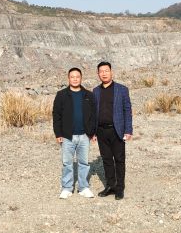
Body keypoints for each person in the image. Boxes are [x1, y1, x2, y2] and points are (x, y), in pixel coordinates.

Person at [52, 67, 97, 199]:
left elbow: (94, 115)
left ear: (81, 78)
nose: (75, 79)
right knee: (67, 163)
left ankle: (83, 188)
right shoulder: (61, 95)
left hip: (84, 135)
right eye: (72, 77)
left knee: (84, 163)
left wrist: (93, 133)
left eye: (77, 77)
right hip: (67, 136)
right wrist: (58, 134)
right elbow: (56, 115)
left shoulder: (88, 95)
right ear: (68, 78)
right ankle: (67, 188)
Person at [92, 61, 132, 200]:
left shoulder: (122, 89)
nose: (104, 73)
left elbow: (127, 110)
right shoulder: (96, 91)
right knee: (107, 160)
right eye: (101, 71)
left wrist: (128, 130)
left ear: (111, 72)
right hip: (101, 131)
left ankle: (120, 188)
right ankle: (110, 186)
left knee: (119, 160)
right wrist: (93, 132)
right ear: (98, 74)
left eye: (106, 71)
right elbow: (93, 112)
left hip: (117, 130)